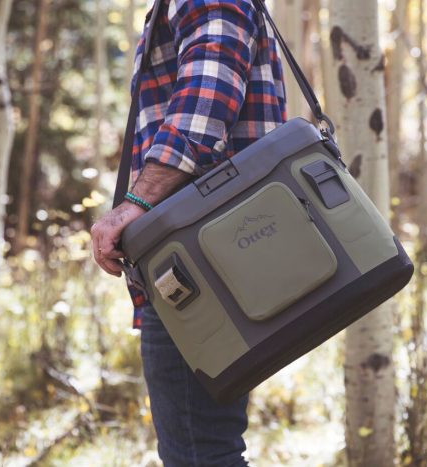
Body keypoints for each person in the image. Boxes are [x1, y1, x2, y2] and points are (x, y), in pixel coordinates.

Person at [90, 0, 286, 464]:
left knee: (200, 454)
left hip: (198, 267)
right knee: (206, 448)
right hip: (211, 257)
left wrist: (136, 202)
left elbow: (210, 85)